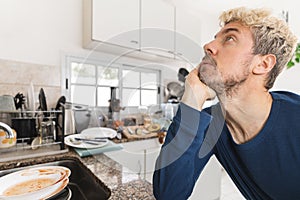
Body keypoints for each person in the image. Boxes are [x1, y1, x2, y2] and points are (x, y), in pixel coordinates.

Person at [153, 7, 299, 200]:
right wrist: (190, 102)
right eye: (215, 37)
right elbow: (168, 194)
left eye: (229, 39)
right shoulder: (212, 124)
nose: (208, 46)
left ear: (262, 65)